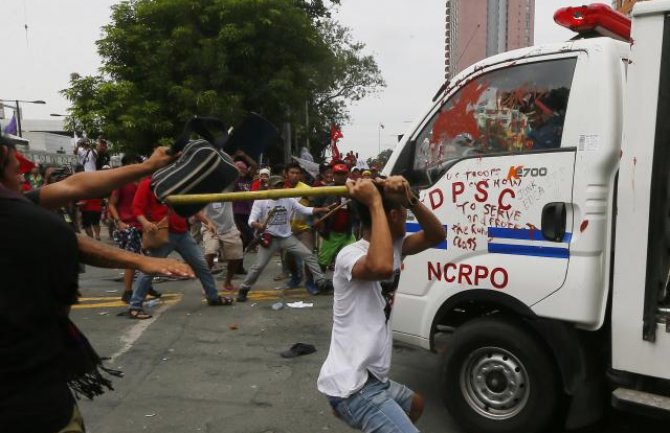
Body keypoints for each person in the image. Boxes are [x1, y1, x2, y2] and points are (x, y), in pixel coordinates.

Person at [0, 136, 193, 433]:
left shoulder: (20, 210)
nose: (23, 176)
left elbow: (77, 186)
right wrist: (141, 262)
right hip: (31, 403)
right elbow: (67, 241)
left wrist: (149, 166)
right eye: (16, 169)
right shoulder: (29, 224)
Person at [317, 176, 446, 433]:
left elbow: (437, 235)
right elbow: (381, 267)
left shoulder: (396, 247)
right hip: (353, 385)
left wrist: (411, 201)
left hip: (375, 379)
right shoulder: (349, 254)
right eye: (403, 214)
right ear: (395, 216)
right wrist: (376, 201)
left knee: (415, 406)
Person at [129, 175, 233, 319]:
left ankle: (213, 297)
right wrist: (145, 223)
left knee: (201, 265)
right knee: (150, 269)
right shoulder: (148, 184)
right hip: (162, 232)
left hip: (182, 233)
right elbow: (136, 208)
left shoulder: (178, 182)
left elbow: (190, 206)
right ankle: (134, 306)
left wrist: (207, 221)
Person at [236, 175, 333, 302]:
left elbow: (304, 209)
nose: (279, 188)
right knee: (258, 266)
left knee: (308, 255)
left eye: (281, 185)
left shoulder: (288, 198)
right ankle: (244, 289)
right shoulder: (261, 200)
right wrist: (257, 225)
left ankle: (320, 281)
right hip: (270, 238)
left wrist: (321, 209)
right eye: (276, 186)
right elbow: (251, 220)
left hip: (286, 237)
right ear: (269, 187)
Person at [315, 163, 358, 270]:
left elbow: (359, 210)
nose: (340, 176)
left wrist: (350, 198)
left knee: (353, 258)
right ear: (333, 175)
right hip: (331, 233)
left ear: (347, 174)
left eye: (343, 173)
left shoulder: (354, 189)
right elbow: (316, 208)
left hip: (348, 233)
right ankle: (320, 282)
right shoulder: (326, 190)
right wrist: (318, 220)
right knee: (323, 262)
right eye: (338, 174)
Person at [201, 200, 244, 292]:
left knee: (236, 256)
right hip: (209, 228)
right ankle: (207, 284)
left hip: (228, 228)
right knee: (210, 253)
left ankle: (227, 282)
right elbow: (197, 211)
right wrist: (207, 222)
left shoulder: (227, 189)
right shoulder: (203, 190)